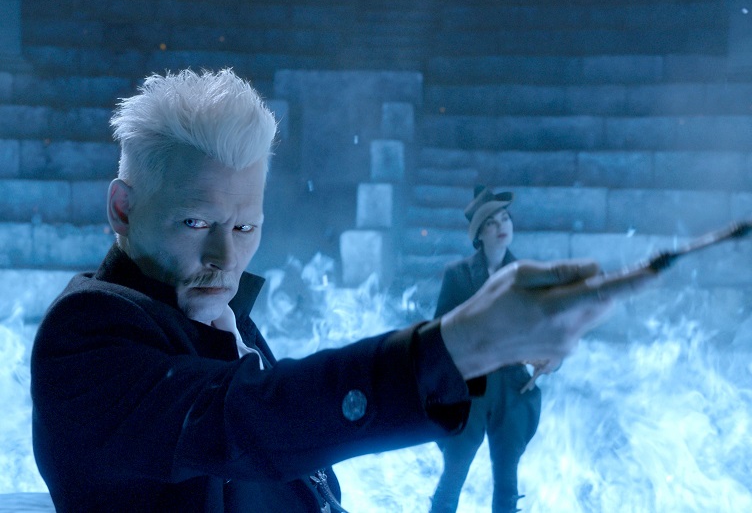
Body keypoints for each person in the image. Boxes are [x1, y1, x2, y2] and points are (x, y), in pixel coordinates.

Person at [29, 69, 628, 512]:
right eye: (195, 222)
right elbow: (257, 420)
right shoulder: (87, 335)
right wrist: (465, 343)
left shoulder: (213, 313)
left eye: (246, 228)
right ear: (123, 209)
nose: (225, 257)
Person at [429, 187, 557, 513]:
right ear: (479, 235)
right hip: (469, 388)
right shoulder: (458, 277)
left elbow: (548, 334)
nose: (501, 226)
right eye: (491, 223)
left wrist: (550, 360)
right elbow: (439, 335)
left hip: (511, 389)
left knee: (507, 483)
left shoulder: (527, 277)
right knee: (454, 474)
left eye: (505, 218)